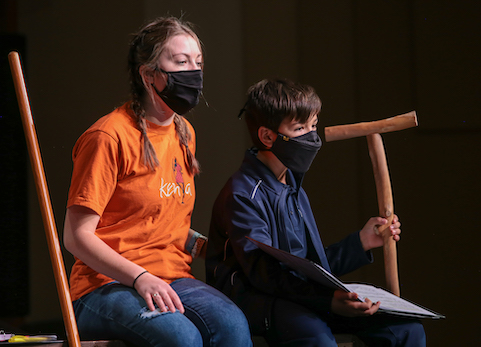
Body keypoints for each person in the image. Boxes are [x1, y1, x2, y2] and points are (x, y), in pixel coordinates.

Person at [63, 16, 252, 347]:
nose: (193, 72)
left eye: (198, 63)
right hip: (104, 285)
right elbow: (76, 237)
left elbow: (153, 218)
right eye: (180, 62)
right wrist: (140, 278)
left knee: (233, 326)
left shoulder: (184, 132)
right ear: (149, 74)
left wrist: (209, 245)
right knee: (181, 338)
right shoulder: (109, 136)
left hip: (172, 276)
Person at [205, 78, 426, 347]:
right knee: (316, 338)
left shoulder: (292, 185)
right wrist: (327, 301)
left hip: (299, 295)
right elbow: (266, 275)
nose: (312, 136)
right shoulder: (243, 194)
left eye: (314, 125)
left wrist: (361, 242)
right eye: (300, 128)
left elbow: (309, 267)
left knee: (406, 330)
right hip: (257, 301)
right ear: (267, 136)